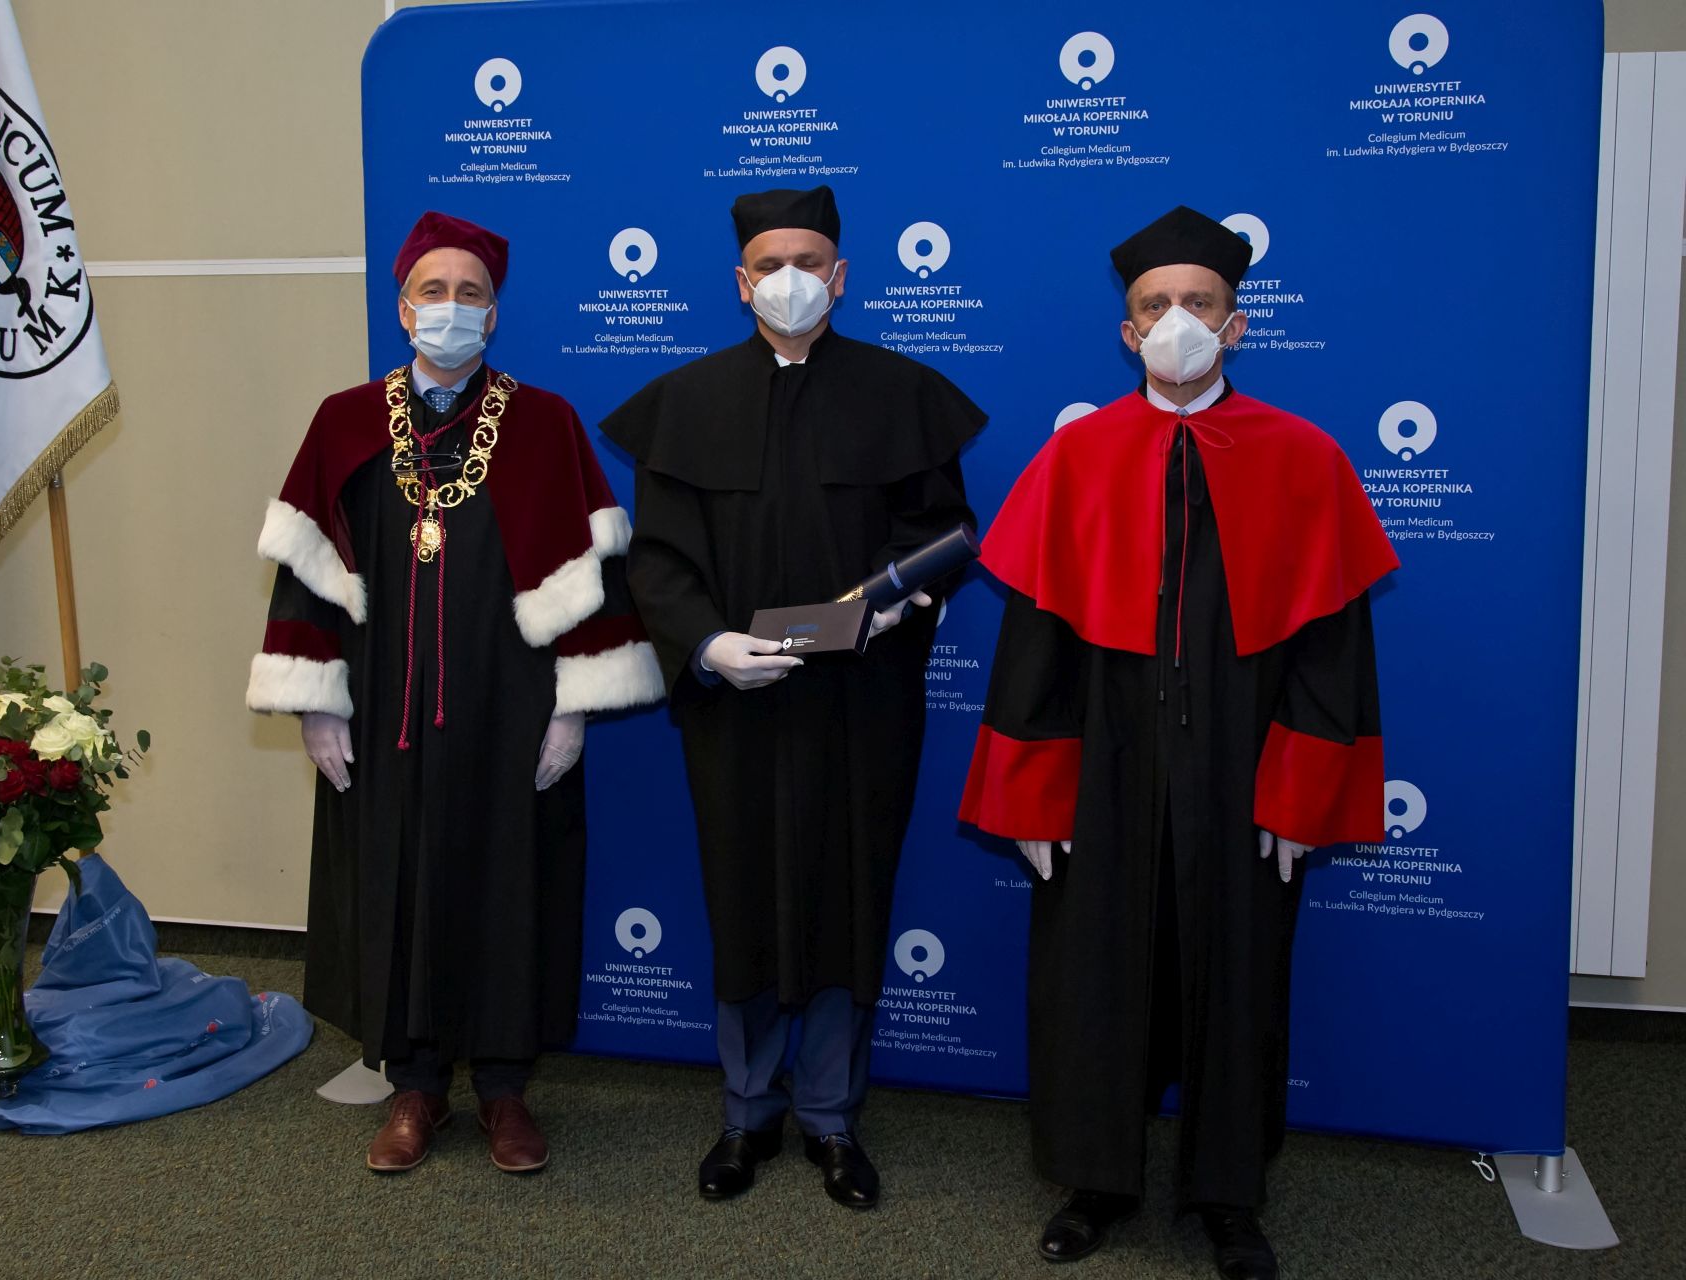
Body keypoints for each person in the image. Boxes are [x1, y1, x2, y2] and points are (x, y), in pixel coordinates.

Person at [958, 205, 1397, 1279]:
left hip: (1244, 767)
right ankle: (1096, 1180)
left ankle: (1228, 1195)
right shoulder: (1077, 457)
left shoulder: (1304, 457)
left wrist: (1305, 792)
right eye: (1155, 305)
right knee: (1093, 971)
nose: (1177, 321)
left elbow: (1332, 648)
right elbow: (1035, 644)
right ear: (1127, 331)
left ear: (1237, 324)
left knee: (1240, 976)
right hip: (1105, 767)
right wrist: (1030, 793)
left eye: (1199, 302)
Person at [247, 210, 663, 1177]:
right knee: (399, 875)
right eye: (432, 291)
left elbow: (591, 579)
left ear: (494, 313)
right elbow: (307, 571)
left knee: (511, 879)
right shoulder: (345, 421)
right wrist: (316, 700)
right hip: (383, 702)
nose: (450, 307)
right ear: (403, 309)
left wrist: (573, 706)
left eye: (469, 293)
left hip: (510, 704)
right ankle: (417, 1085)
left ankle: (506, 1089)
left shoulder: (545, 422)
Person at [604, 185, 983, 1210]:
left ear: (840, 276)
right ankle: (746, 1112)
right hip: (738, 705)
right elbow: (660, 560)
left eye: (809, 261)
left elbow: (941, 533)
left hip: (861, 700)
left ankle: (831, 1116)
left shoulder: (902, 393)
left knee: (847, 896)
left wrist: (895, 607)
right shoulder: (686, 402)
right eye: (770, 263)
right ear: (741, 282)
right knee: (744, 896)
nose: (790, 279)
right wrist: (707, 642)